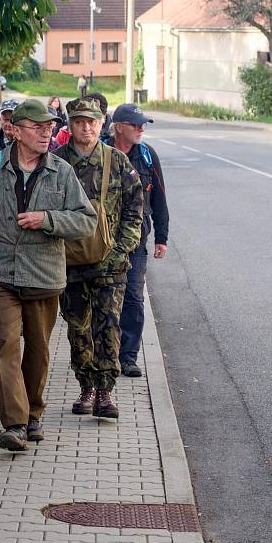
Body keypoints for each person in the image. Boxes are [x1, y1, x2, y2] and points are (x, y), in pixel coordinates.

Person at [0, 99, 97, 451]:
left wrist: (48, 220)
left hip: (43, 275)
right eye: (38, 127)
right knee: (7, 343)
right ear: (17, 130)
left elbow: (87, 221)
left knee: (38, 351)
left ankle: (33, 413)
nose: (46, 132)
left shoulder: (61, 171)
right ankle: (14, 423)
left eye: (50, 127)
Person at [54, 99, 143, 418]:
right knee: (78, 328)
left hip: (110, 264)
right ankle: (86, 387)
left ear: (102, 122)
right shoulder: (57, 162)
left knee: (108, 327)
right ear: (70, 124)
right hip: (70, 262)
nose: (86, 127)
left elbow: (135, 207)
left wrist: (123, 247)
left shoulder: (116, 161)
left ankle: (105, 392)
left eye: (92, 121)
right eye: (79, 122)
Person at [110, 104, 169, 378]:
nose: (141, 128)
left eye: (143, 124)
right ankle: (105, 354)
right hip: (103, 242)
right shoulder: (101, 154)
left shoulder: (147, 156)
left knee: (133, 298)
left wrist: (162, 237)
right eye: (136, 124)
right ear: (119, 126)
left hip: (136, 242)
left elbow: (159, 198)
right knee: (105, 299)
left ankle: (129, 356)